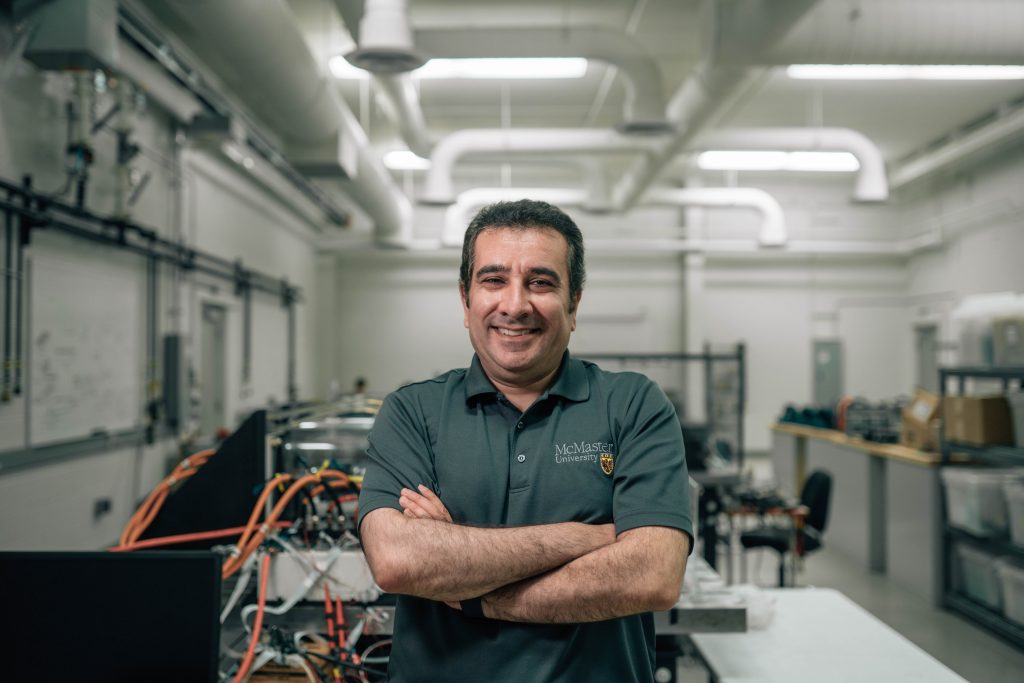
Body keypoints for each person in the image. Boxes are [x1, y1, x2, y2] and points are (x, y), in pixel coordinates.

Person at [357, 199, 693, 682]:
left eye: (540, 282)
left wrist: (468, 588)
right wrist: (586, 537)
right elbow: (398, 561)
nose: (515, 305)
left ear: (574, 303)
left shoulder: (633, 404)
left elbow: (653, 575)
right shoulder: (413, 411)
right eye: (494, 280)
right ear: (465, 299)